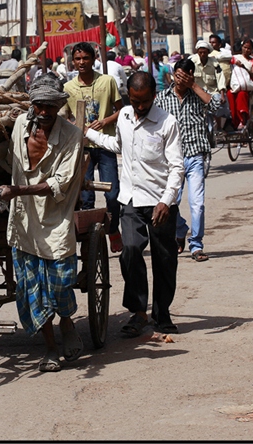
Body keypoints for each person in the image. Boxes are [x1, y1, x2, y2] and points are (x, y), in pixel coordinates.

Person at [0, 73, 84, 372]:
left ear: (60, 105)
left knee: (59, 286)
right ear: (31, 104)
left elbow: (60, 182)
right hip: (23, 223)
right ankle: (49, 349)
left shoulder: (71, 136)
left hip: (55, 221)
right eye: (39, 106)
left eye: (51, 107)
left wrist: (17, 189)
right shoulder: (20, 125)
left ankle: (67, 322)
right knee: (32, 289)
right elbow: (6, 157)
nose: (44, 112)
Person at [85, 71, 184, 336]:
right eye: (135, 101)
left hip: (160, 202)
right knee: (129, 250)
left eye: (145, 102)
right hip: (130, 199)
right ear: (129, 96)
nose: (140, 107)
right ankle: (138, 311)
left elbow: (177, 167)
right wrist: (91, 135)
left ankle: (162, 313)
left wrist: (166, 201)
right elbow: (119, 146)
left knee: (164, 259)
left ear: (154, 95)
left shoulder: (167, 123)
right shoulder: (125, 117)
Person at [155, 58, 219, 263]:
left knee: (197, 204)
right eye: (178, 74)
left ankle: (196, 245)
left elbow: (217, 105)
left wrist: (194, 85)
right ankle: (180, 228)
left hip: (195, 156)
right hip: (172, 160)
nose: (180, 79)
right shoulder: (162, 99)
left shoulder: (198, 96)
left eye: (185, 76)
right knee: (172, 202)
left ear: (191, 75)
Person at [63, 42, 124, 252]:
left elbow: (122, 111)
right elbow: (65, 118)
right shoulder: (68, 88)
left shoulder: (107, 82)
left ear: (93, 59)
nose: (81, 63)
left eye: (85, 58)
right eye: (78, 59)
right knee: (86, 198)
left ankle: (114, 229)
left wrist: (105, 121)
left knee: (112, 195)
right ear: (73, 61)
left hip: (105, 144)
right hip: (82, 148)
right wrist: (77, 126)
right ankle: (89, 246)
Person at [227, 39, 253, 130]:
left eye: (249, 48)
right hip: (235, 85)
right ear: (242, 47)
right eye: (245, 47)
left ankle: (242, 120)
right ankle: (233, 120)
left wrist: (243, 66)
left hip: (246, 88)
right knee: (229, 94)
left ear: (251, 49)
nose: (246, 50)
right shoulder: (235, 58)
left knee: (242, 94)